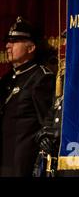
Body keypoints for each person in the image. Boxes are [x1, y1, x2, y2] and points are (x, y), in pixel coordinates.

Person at [0, 16, 55, 176]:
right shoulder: (6, 80)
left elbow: (46, 121)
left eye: (14, 41)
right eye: (8, 41)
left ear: (31, 48)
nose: (8, 46)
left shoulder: (41, 77)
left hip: (22, 163)